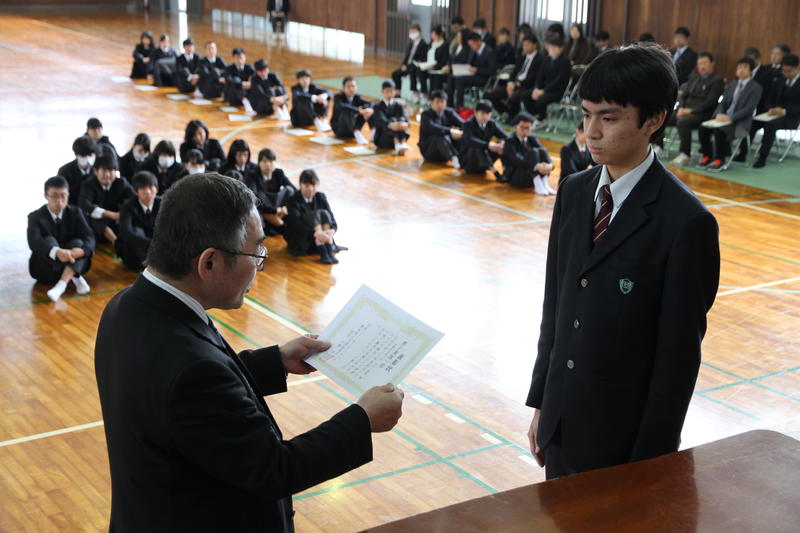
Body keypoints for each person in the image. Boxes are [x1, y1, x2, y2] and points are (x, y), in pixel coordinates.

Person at [95, 172, 403, 531]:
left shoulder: (126, 306)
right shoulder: (193, 371)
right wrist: (363, 420)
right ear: (209, 263)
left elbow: (185, 396)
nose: (260, 264)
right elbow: (273, 469)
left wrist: (275, 361)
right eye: (256, 251)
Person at [526, 42, 720, 480]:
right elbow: (556, 309)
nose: (591, 132)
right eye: (586, 114)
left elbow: (676, 363)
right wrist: (542, 404)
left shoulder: (686, 223)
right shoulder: (574, 192)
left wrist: (649, 462)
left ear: (654, 120)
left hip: (624, 443)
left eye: (609, 118)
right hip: (561, 424)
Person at [28, 176, 95, 302]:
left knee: (78, 243)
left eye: (63, 196)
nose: (59, 201)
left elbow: (89, 236)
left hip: (72, 259)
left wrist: (82, 251)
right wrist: (57, 252)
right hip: (47, 269)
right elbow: (34, 242)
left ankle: (61, 285)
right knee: (49, 241)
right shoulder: (35, 216)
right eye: (54, 196)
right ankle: (75, 276)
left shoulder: (76, 212)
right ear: (46, 196)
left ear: (68, 195)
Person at [659, 52, 725, 166]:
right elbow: (683, 96)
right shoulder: (694, 77)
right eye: (699, 64)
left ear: (712, 64)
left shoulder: (717, 80)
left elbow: (711, 102)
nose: (702, 67)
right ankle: (659, 146)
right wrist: (681, 108)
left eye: (705, 63)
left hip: (702, 114)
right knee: (663, 116)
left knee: (683, 122)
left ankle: (685, 154)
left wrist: (690, 111)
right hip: (684, 110)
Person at [697, 57, 761, 171]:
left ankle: (719, 160)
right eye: (739, 67)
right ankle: (707, 156)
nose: (741, 70)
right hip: (723, 120)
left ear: (751, 71)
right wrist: (719, 114)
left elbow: (749, 109)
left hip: (740, 125)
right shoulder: (732, 84)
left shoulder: (756, 88)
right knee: (703, 128)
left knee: (719, 131)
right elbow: (723, 103)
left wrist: (730, 118)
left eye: (745, 67)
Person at [283, 169, 341, 263]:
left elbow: (331, 218)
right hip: (303, 240)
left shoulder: (321, 197)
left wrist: (331, 231)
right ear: (300, 185)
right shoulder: (292, 200)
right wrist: (317, 234)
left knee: (324, 214)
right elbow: (296, 224)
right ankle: (325, 252)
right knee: (313, 215)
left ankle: (328, 252)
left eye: (313, 185)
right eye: (307, 185)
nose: (310, 188)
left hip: (323, 236)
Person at [753, 54, 800, 168]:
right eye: (784, 71)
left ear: (797, 68)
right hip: (773, 113)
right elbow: (769, 98)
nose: (786, 74)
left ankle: (762, 157)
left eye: (789, 71)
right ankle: (742, 152)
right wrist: (770, 108)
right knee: (754, 121)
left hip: (791, 118)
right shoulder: (780, 79)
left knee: (771, 125)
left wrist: (784, 111)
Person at [79, 154, 134, 246]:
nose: (107, 175)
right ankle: (116, 243)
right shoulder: (88, 184)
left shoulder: (122, 183)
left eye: (111, 171)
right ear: (96, 171)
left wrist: (122, 213)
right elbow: (84, 204)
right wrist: (110, 214)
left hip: (117, 221)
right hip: (97, 227)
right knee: (95, 217)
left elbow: (133, 199)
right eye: (104, 171)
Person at [485, 34, 543, 117]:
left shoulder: (540, 59)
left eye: (528, 44)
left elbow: (533, 77)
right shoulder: (521, 58)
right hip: (514, 84)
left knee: (513, 99)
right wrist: (510, 83)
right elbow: (514, 73)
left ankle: (512, 116)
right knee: (491, 96)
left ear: (535, 45)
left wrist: (516, 84)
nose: (525, 47)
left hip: (527, 86)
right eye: (524, 45)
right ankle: (506, 112)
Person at [244, 148, 295, 235]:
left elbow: (294, 189)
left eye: (271, 161)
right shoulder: (252, 175)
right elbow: (254, 198)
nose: (268, 165)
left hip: (276, 205)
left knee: (290, 190)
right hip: (262, 207)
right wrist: (275, 210)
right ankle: (274, 223)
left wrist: (285, 207)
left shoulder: (279, 173)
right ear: (259, 163)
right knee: (258, 196)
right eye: (264, 161)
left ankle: (279, 220)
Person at [501, 112, 554, 193]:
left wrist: (550, 165)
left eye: (528, 128)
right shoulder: (510, 141)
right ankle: (538, 183)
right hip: (514, 177)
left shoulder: (532, 138)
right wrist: (537, 166)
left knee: (542, 150)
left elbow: (544, 152)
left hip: (529, 176)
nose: (525, 130)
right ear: (515, 127)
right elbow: (517, 160)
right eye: (522, 128)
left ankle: (544, 181)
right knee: (533, 152)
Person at [116, 171, 160, 270]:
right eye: (143, 188)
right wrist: (152, 244)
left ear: (157, 189)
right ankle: (152, 266)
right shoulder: (127, 206)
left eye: (151, 187)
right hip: (132, 253)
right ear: (136, 192)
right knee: (137, 230)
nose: (148, 192)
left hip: (157, 249)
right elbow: (126, 233)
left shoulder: (163, 203)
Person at [524, 37, 570, 125]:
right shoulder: (546, 59)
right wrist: (536, 88)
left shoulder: (565, 62)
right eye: (550, 47)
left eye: (554, 47)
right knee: (525, 95)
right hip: (543, 89)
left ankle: (541, 119)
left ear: (560, 49)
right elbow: (540, 77)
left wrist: (543, 91)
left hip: (556, 91)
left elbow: (559, 81)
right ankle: (535, 116)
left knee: (541, 100)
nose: (551, 49)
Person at [459, 99, 508, 178]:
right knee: (477, 147)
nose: (485, 116)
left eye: (488, 114)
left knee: (503, 146)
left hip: (485, 159)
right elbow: (470, 140)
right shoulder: (467, 124)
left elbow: (506, 137)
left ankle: (507, 172)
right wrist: (488, 145)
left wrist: (502, 143)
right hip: (469, 162)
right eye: (482, 113)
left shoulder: (491, 124)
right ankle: (494, 172)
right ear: (475, 113)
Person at [447, 32, 496, 109]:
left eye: (472, 44)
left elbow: (492, 71)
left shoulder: (489, 52)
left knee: (460, 80)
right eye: (470, 45)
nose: (471, 47)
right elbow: (469, 63)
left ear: (479, 41)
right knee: (452, 77)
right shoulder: (473, 50)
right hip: (472, 74)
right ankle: (449, 104)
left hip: (483, 78)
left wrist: (477, 70)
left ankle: (459, 106)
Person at [418, 90, 464, 168]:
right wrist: (450, 131)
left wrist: (461, 132)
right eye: (437, 102)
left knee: (461, 133)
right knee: (439, 135)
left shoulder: (449, 112)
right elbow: (433, 128)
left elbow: (463, 124)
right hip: (430, 151)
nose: (440, 104)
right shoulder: (426, 114)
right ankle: (453, 158)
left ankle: (463, 157)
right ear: (431, 102)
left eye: (442, 102)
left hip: (446, 147)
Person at [369, 80, 411, 155]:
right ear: (382, 92)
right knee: (393, 121)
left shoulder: (398, 105)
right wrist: (392, 125)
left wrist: (404, 123)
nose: (389, 93)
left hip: (398, 132)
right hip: (383, 138)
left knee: (401, 121)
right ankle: (398, 143)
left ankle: (402, 143)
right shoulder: (377, 106)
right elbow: (381, 121)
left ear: (395, 91)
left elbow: (404, 118)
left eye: (391, 91)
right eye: (387, 91)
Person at [391, 24, 429, 102]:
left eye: (414, 32)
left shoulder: (424, 44)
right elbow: (407, 56)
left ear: (419, 32)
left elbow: (423, 58)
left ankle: (415, 91)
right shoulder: (411, 43)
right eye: (411, 32)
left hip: (415, 66)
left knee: (412, 71)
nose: (412, 34)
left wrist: (409, 65)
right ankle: (398, 92)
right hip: (407, 65)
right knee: (395, 74)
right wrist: (403, 64)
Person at [57, 135, 98, 205]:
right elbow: (61, 195)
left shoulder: (100, 169)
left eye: (90, 155)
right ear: (76, 155)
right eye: (83, 156)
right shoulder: (64, 171)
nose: (88, 158)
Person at [331, 77, 373, 144]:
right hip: (340, 129)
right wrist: (359, 111)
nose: (351, 89)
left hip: (352, 129)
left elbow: (370, 103)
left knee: (368, 111)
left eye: (353, 86)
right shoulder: (338, 97)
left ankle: (373, 133)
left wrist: (366, 110)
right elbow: (343, 106)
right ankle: (357, 133)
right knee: (347, 111)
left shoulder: (357, 97)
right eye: (348, 86)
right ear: (343, 88)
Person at [416, 25, 450, 97]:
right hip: (428, 66)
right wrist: (422, 62)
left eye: (433, 34)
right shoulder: (431, 43)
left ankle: (434, 96)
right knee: (419, 70)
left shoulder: (445, 45)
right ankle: (424, 92)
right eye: (431, 34)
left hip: (438, 68)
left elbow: (444, 61)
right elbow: (426, 56)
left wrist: (434, 67)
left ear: (439, 35)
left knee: (435, 76)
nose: (431, 36)